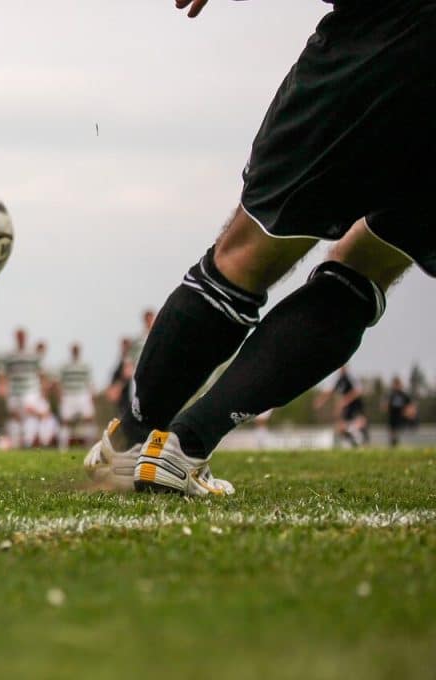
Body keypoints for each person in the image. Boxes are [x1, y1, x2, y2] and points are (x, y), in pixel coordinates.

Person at [87, 0, 434, 495]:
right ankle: (184, 446)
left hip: (384, 32)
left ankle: (132, 443)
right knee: (369, 266)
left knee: (245, 255)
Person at [0, 328, 43, 448]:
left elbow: (40, 372)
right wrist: (1, 386)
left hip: (30, 390)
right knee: (15, 416)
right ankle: (15, 443)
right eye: (18, 336)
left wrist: (42, 389)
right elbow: (2, 373)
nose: (20, 339)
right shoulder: (10, 355)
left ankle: (28, 442)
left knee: (29, 413)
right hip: (14, 391)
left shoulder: (32, 355)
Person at [314, 366, 369, 448]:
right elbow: (330, 391)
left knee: (360, 423)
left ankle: (362, 442)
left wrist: (345, 401)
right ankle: (353, 443)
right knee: (340, 428)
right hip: (347, 408)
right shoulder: (338, 379)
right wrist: (321, 401)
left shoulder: (351, 377)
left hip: (356, 405)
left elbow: (358, 391)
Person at [58, 343, 97, 450]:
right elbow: (60, 382)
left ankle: (90, 446)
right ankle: (63, 448)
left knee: (89, 419)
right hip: (69, 394)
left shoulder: (85, 366)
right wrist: (60, 395)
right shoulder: (65, 366)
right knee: (65, 421)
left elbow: (90, 382)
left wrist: (91, 395)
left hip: (82, 394)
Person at [385, 376, 417, 447]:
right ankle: (394, 446)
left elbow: (411, 408)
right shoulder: (390, 395)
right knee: (393, 437)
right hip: (392, 419)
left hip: (402, 419)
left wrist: (407, 413)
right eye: (395, 384)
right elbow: (385, 407)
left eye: (397, 384)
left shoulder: (404, 395)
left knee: (400, 435)